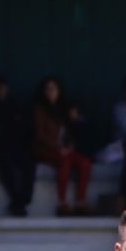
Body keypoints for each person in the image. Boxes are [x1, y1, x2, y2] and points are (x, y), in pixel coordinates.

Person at [32, 76, 93, 216]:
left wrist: (69, 145)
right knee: (65, 162)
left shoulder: (62, 109)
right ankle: (62, 202)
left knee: (84, 163)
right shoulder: (39, 109)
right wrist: (58, 148)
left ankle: (80, 201)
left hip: (64, 149)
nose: (51, 92)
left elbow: (70, 131)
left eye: (54, 89)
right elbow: (39, 135)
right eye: (48, 89)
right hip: (45, 150)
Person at [0, 74, 34, 217]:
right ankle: (17, 201)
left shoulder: (13, 106)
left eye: (3, 88)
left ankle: (22, 200)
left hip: (14, 147)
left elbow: (21, 129)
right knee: (6, 166)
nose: (1, 90)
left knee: (29, 163)